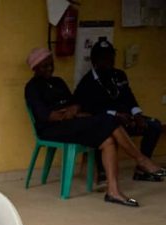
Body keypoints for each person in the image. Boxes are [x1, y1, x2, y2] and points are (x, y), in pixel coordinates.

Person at [24, 47, 164, 207]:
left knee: (108, 140)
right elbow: (44, 116)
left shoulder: (59, 82)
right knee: (109, 120)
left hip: (72, 124)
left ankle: (113, 191)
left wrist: (73, 110)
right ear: (35, 69)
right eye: (44, 66)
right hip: (52, 129)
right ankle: (141, 160)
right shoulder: (32, 87)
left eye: (51, 64)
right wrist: (65, 114)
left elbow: (75, 103)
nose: (49, 68)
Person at [74, 39, 164, 178]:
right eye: (104, 58)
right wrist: (115, 114)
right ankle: (103, 172)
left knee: (154, 125)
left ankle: (142, 169)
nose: (109, 61)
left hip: (126, 119)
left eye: (111, 57)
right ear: (94, 61)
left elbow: (129, 97)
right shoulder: (87, 83)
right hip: (104, 121)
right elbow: (88, 111)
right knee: (104, 131)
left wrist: (137, 114)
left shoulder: (119, 75)